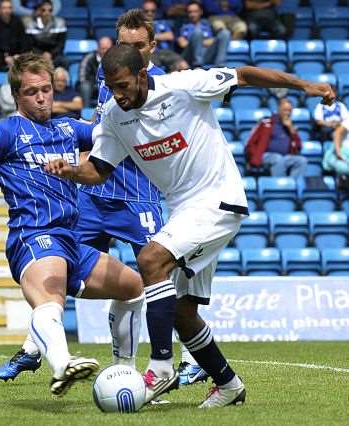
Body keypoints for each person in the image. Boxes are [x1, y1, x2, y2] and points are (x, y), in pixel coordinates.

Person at [45, 43, 334, 407]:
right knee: (182, 312)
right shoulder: (115, 119)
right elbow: (99, 170)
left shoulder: (183, 86)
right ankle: (229, 385)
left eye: (123, 86)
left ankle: (162, 368)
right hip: (184, 211)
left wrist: (304, 86)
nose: (118, 95)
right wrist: (70, 170)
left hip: (218, 198)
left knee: (151, 260)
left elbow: (243, 75)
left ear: (142, 75)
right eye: (111, 88)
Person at [0, 9, 206, 399]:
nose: (131, 52)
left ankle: (187, 357)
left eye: (138, 46)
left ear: (152, 47)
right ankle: (35, 346)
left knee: (154, 279)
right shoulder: (110, 77)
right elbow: (100, 131)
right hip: (93, 196)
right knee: (57, 263)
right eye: (125, 44)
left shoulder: (165, 86)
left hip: (137, 198)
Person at [0, 53, 146, 397]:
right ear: (17, 96)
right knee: (51, 299)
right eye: (32, 91)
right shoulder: (2, 133)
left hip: (70, 240)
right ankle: (62, 363)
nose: (42, 97)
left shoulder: (67, 127)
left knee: (133, 287)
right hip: (33, 235)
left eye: (46, 89)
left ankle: (125, 372)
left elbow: (111, 135)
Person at [246, 98, 308, 178]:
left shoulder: (291, 127)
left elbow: (298, 147)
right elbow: (250, 143)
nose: (287, 113)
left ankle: (292, 186)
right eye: (285, 110)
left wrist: (291, 130)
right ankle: (281, 188)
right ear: (279, 109)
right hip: (266, 156)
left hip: (285, 157)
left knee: (302, 161)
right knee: (278, 159)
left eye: (289, 111)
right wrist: (254, 157)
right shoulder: (266, 123)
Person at [0, 0, 32, 98]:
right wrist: (4, 57)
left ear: (12, 9)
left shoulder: (18, 22)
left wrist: (18, 55)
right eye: (4, 8)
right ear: (0, 10)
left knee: (28, 64)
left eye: (9, 8)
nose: (7, 10)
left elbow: (24, 42)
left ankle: (26, 91)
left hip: (16, 55)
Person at [177, 1, 231, 68]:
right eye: (190, 12)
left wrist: (197, 42)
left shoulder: (208, 24)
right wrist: (200, 41)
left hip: (206, 55)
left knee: (225, 33)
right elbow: (183, 44)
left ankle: (220, 66)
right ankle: (197, 65)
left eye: (195, 11)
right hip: (189, 57)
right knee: (197, 32)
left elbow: (215, 40)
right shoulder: (181, 25)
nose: (192, 14)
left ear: (201, 12)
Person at [142, 1, 187, 72]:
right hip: (151, 54)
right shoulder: (139, 26)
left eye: (152, 11)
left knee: (183, 65)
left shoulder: (162, 22)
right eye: (146, 11)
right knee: (154, 71)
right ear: (142, 12)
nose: (149, 13)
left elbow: (170, 36)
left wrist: (152, 37)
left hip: (166, 52)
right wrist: (162, 36)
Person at [25, 1, 68, 69]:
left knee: (64, 61)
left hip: (54, 55)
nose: (47, 13)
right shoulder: (30, 24)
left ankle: (61, 78)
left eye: (50, 10)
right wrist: (42, 55)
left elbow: (60, 45)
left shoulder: (60, 23)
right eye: (43, 10)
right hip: (36, 55)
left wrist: (50, 54)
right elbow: (30, 45)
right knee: (28, 62)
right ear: (39, 11)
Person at [78, 36, 113, 108]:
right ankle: (86, 111)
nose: (106, 51)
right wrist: (97, 85)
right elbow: (82, 77)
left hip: (109, 86)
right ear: (98, 49)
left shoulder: (115, 59)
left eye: (108, 49)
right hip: (93, 86)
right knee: (85, 86)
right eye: (103, 49)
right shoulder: (88, 58)